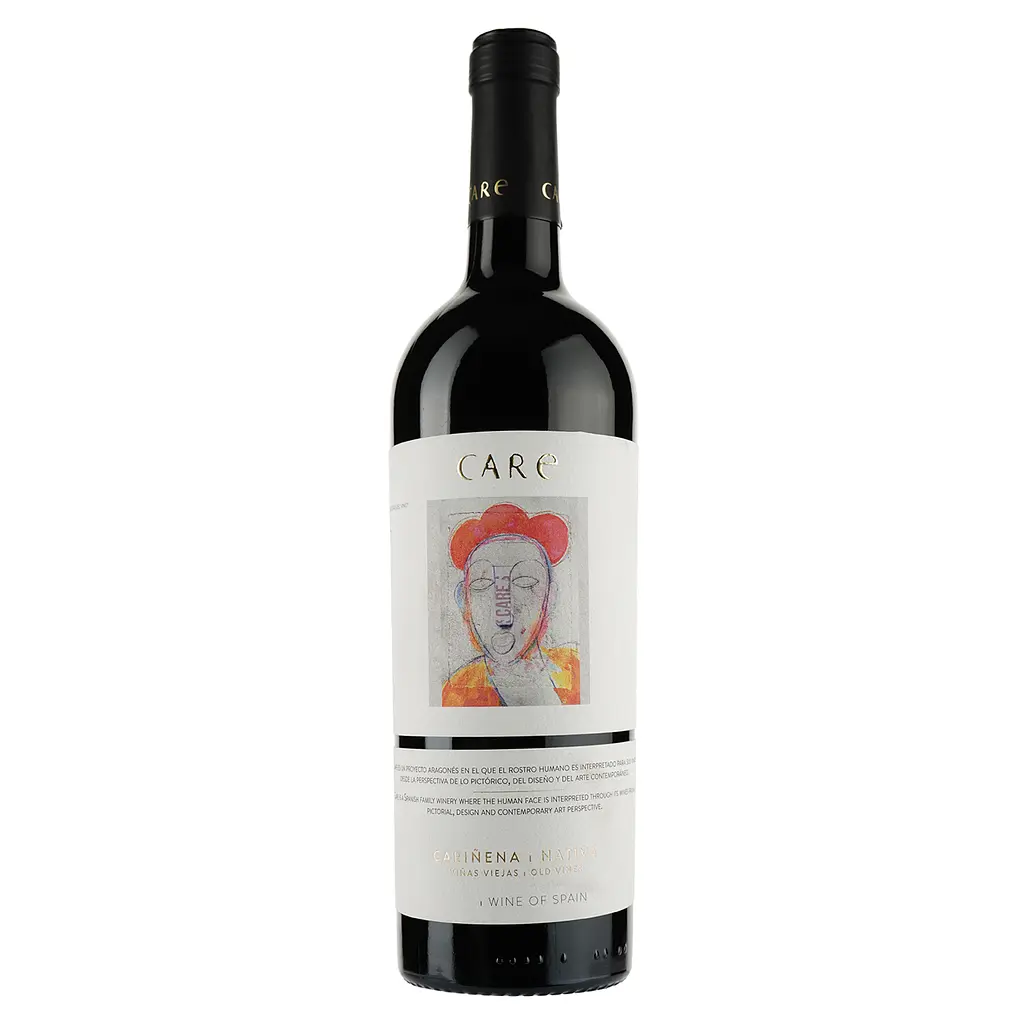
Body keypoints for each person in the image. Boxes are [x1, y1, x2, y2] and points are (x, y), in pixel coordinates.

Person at [442, 503, 579, 707]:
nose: (503, 617)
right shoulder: (457, 691)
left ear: (550, 597)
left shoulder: (574, 668)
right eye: (482, 584)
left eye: (525, 582)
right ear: (463, 600)